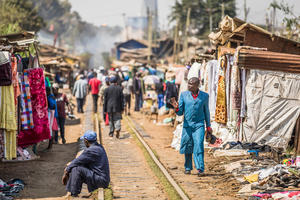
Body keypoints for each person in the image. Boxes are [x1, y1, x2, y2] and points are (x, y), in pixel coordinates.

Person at [170, 77, 212, 177]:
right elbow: (180, 112)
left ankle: (200, 168)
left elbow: (206, 112)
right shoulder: (184, 95)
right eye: (188, 83)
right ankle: (188, 168)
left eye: (192, 84)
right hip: (187, 125)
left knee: (198, 145)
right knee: (188, 145)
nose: (189, 86)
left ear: (197, 85)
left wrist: (209, 126)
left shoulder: (204, 96)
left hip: (199, 125)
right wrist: (176, 107)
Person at [62, 130, 110, 197]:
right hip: (101, 179)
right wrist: (71, 164)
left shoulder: (92, 150)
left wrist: (67, 170)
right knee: (77, 166)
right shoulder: (98, 147)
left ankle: (73, 194)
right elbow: (81, 160)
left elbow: (78, 161)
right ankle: (73, 192)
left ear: (86, 141)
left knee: (76, 169)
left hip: (101, 181)